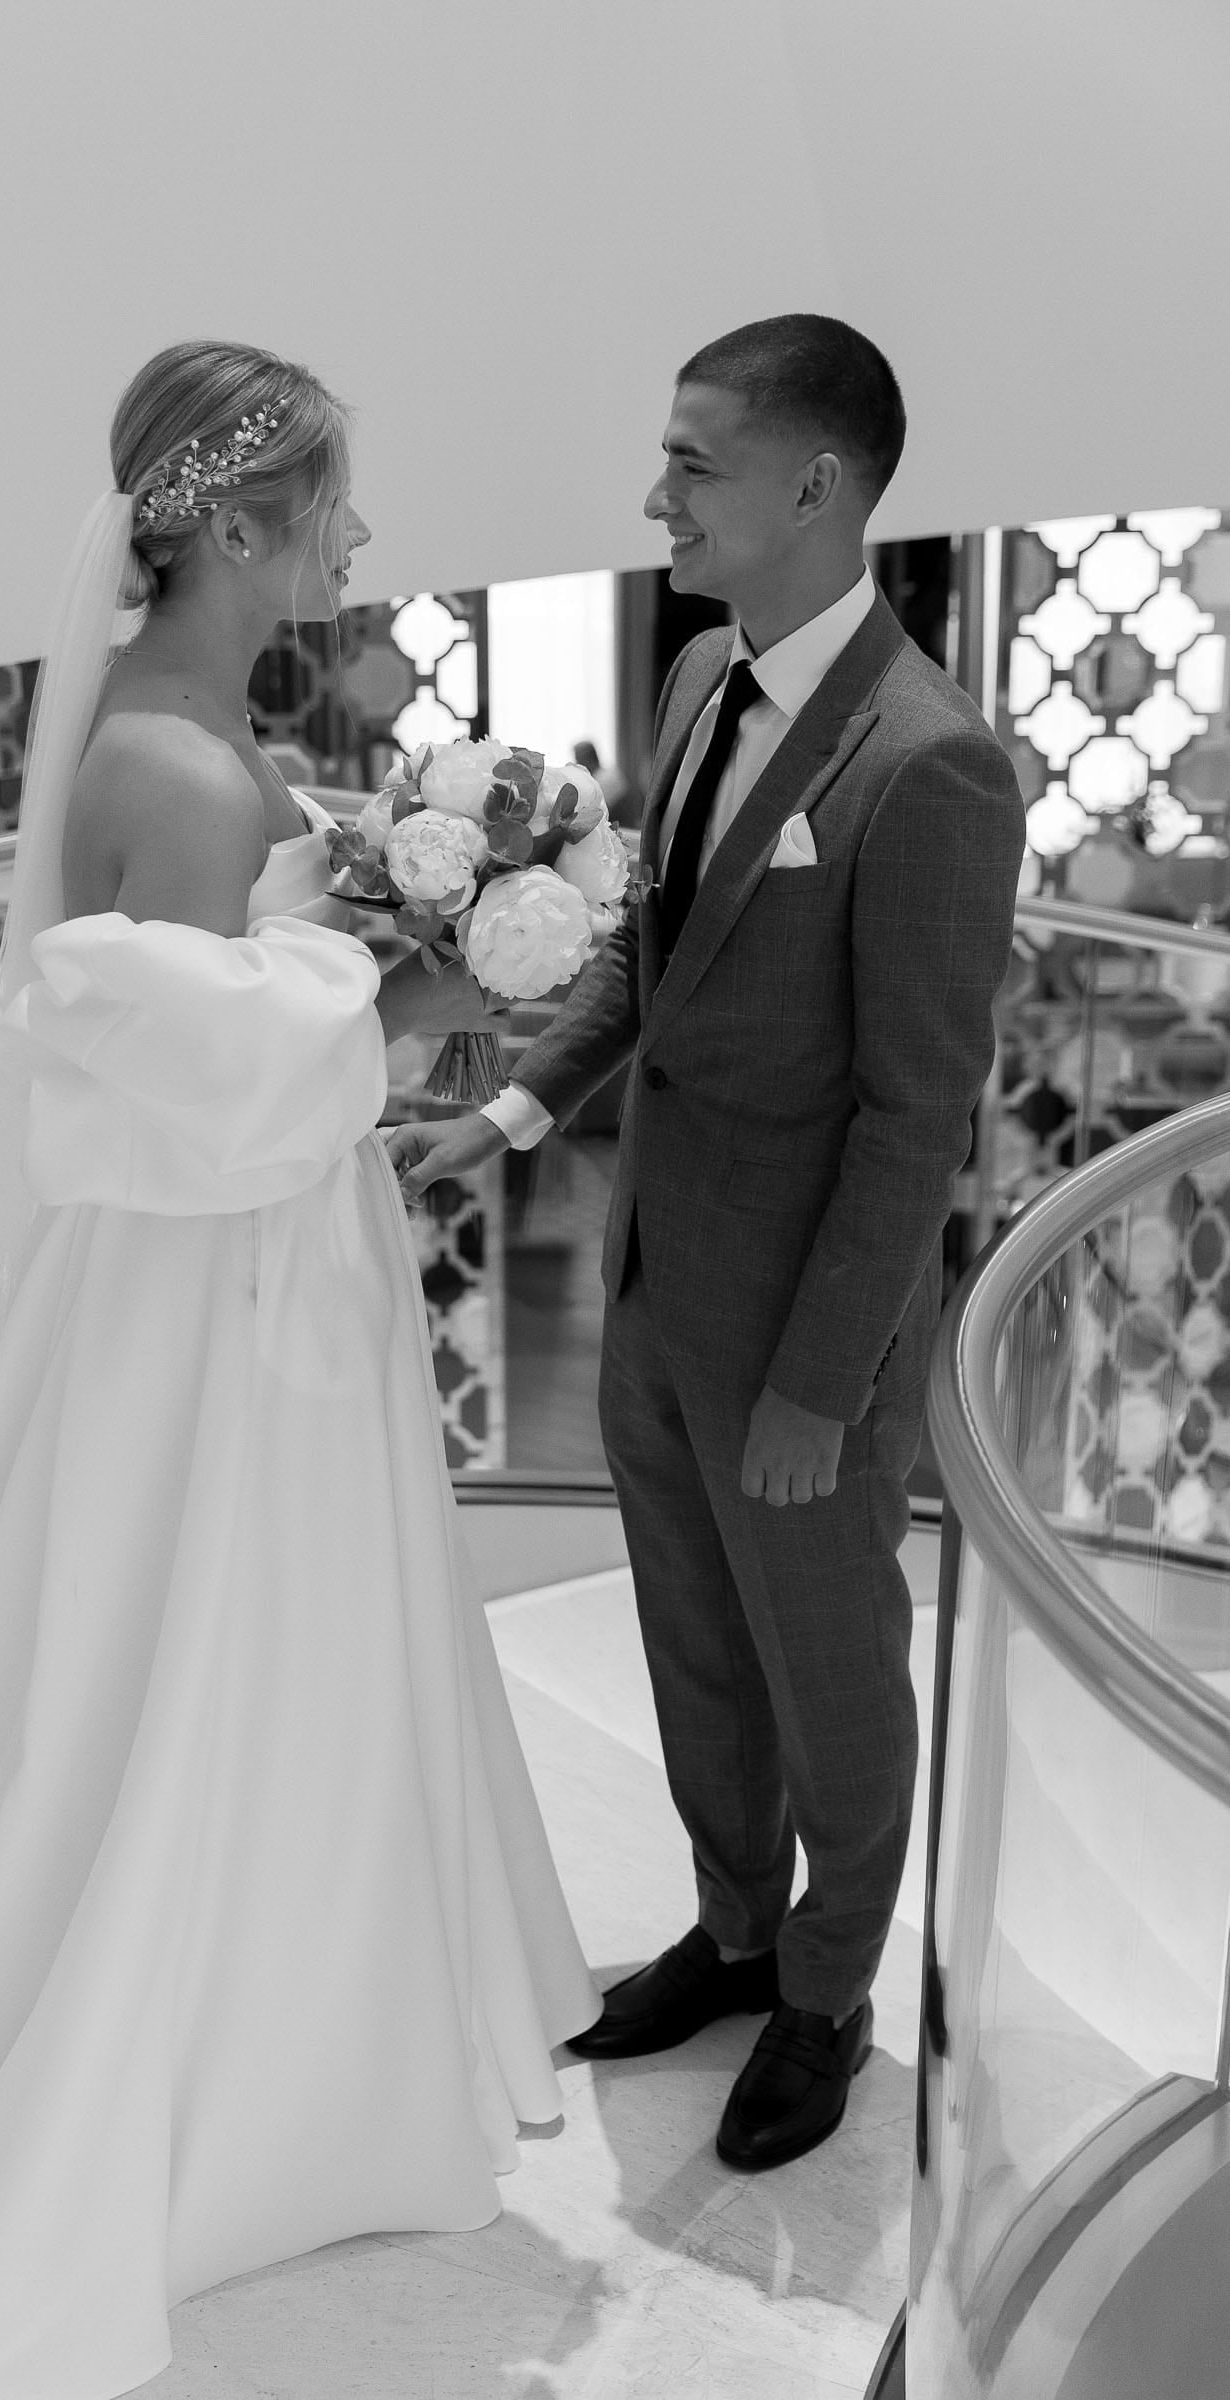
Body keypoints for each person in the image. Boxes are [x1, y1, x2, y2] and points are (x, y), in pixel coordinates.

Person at [0, 339, 600, 2397]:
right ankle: (229, 2044)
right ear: (237, 523)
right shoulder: (164, 763)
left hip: (261, 1266)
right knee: (216, 1649)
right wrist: (418, 984)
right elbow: (180, 1069)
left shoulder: (200, 730)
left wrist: (387, 966)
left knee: (252, 1647)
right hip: (215, 1305)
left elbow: (239, 1017)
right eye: (334, 502)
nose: (357, 537)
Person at [388, 314, 1025, 2172]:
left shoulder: (932, 766)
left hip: (808, 1331)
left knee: (833, 1674)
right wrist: (504, 1114)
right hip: (660, 1282)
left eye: (691, 461)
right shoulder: (692, 677)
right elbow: (653, 965)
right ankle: (737, 1931)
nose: (654, 494)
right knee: (692, 1644)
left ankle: (828, 1992)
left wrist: (825, 1388)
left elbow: (919, 1116)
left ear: (815, 486)